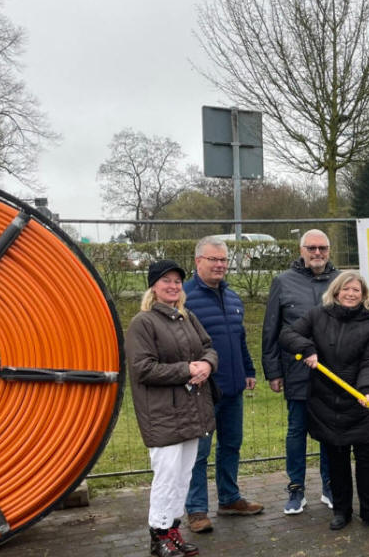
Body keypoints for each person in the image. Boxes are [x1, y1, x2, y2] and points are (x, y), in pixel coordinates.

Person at [279, 271, 369, 532]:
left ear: (363, 296)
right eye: (346, 289)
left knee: (367, 460)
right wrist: (307, 348)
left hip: (362, 402)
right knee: (336, 460)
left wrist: (366, 389)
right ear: (336, 291)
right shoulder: (317, 316)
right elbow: (287, 335)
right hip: (326, 401)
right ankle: (341, 510)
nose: (351, 294)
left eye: (356, 290)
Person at [127, 260, 216, 557]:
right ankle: (158, 535)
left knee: (182, 476)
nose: (173, 286)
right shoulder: (143, 323)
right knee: (166, 477)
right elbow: (142, 368)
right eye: (166, 281)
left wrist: (207, 364)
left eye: (177, 281)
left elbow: (208, 347)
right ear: (153, 286)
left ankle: (173, 530)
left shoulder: (187, 317)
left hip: (192, 410)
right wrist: (187, 369)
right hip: (162, 414)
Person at [184, 237, 262, 534]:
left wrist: (248, 370)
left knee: (231, 445)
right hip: (201, 391)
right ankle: (196, 510)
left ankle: (229, 499)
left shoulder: (232, 297)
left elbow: (240, 339)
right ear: (198, 262)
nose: (219, 265)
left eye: (223, 260)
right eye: (213, 259)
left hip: (233, 387)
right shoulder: (184, 298)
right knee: (199, 452)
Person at [262, 230, 338, 514]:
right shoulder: (282, 282)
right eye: (311, 248)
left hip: (332, 372)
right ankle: (296, 489)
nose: (317, 253)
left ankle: (330, 485)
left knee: (330, 431)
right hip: (296, 370)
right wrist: (273, 371)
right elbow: (271, 329)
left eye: (322, 248)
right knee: (296, 431)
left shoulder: (340, 280)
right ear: (301, 250)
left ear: (329, 250)